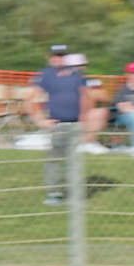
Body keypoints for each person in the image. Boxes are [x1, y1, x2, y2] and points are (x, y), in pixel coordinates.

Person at [27, 43, 92, 205]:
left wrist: (84, 121)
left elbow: (85, 97)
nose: (58, 59)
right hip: (56, 125)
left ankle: (75, 196)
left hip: (75, 124)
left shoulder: (77, 75)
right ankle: (53, 194)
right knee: (54, 159)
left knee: (74, 161)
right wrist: (40, 120)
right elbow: (30, 99)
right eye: (55, 56)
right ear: (49, 58)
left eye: (62, 56)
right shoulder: (44, 75)